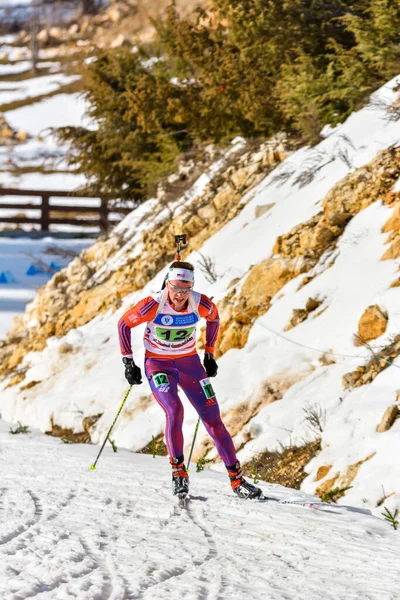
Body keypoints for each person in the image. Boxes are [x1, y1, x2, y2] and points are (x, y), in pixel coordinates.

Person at [118, 260, 262, 500]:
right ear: (168, 284)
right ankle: (179, 475)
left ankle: (237, 480)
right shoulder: (153, 304)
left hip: (190, 365)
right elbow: (123, 324)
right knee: (175, 411)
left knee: (213, 419)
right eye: (175, 288)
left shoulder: (200, 302)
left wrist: (209, 354)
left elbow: (214, 319)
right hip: (159, 364)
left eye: (185, 290)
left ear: (191, 287)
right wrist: (128, 362)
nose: (180, 295)